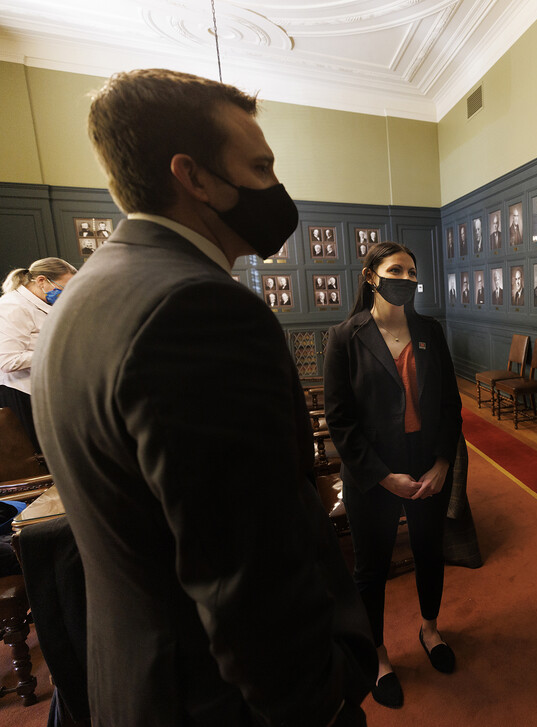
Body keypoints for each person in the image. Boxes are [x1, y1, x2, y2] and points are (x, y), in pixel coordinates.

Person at [32, 68, 377, 726]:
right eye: (260, 165)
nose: (274, 187)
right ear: (193, 177)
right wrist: (322, 703)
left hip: (135, 675)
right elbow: (247, 578)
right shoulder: (197, 308)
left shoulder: (86, 290)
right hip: (217, 697)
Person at [324, 241, 463, 710]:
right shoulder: (345, 337)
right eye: (395, 270)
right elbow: (340, 422)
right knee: (372, 569)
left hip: (428, 467)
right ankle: (379, 654)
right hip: (372, 473)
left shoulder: (430, 330)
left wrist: (443, 463)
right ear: (371, 276)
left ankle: (429, 627)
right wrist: (384, 478)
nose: (405, 278)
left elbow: (450, 406)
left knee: (429, 552)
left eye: (411, 270)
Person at [0, 257, 76, 451]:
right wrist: (56, 351)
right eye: (63, 288)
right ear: (42, 281)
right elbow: (7, 360)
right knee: (41, 454)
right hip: (22, 394)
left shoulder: (42, 304)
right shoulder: (13, 306)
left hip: (44, 391)